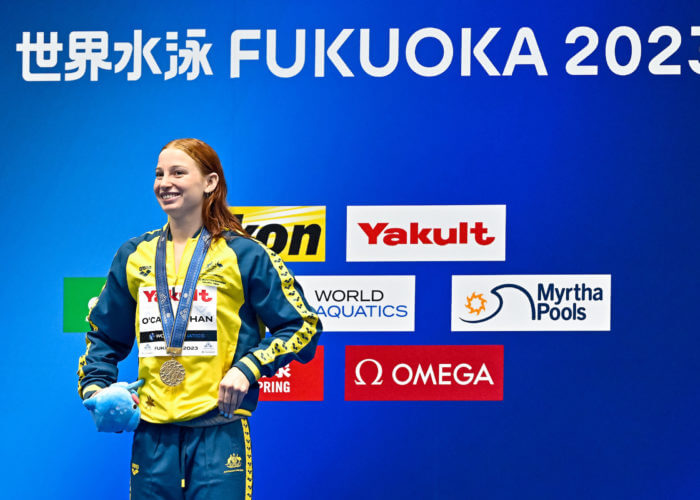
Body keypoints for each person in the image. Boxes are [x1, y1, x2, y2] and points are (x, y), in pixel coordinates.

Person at [77, 138, 322, 500]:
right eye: (159, 174)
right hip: (152, 434)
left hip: (218, 431)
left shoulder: (244, 253)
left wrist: (248, 368)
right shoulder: (133, 254)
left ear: (210, 182)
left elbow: (302, 326)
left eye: (178, 172)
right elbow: (104, 335)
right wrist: (96, 390)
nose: (165, 182)